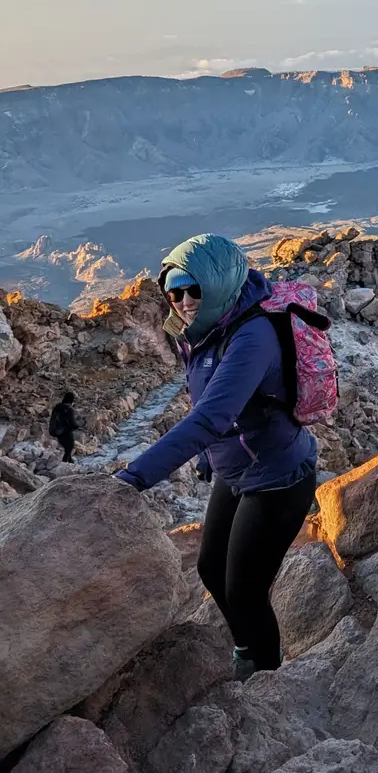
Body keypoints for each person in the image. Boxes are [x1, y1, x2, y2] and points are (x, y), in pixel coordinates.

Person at [114, 233, 318, 681]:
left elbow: (208, 418)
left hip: (279, 475)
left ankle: (266, 677)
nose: (183, 301)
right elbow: (211, 405)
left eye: (194, 289)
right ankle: (247, 646)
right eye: (174, 291)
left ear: (219, 284)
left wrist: (132, 478)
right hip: (236, 466)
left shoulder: (253, 337)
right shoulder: (206, 327)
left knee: (244, 588)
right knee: (210, 568)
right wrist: (210, 459)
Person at [48, 390, 79, 462]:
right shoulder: (69, 409)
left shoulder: (57, 407)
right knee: (69, 447)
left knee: (66, 449)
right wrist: (77, 426)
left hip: (56, 431)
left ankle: (70, 462)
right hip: (65, 431)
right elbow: (73, 423)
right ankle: (65, 464)